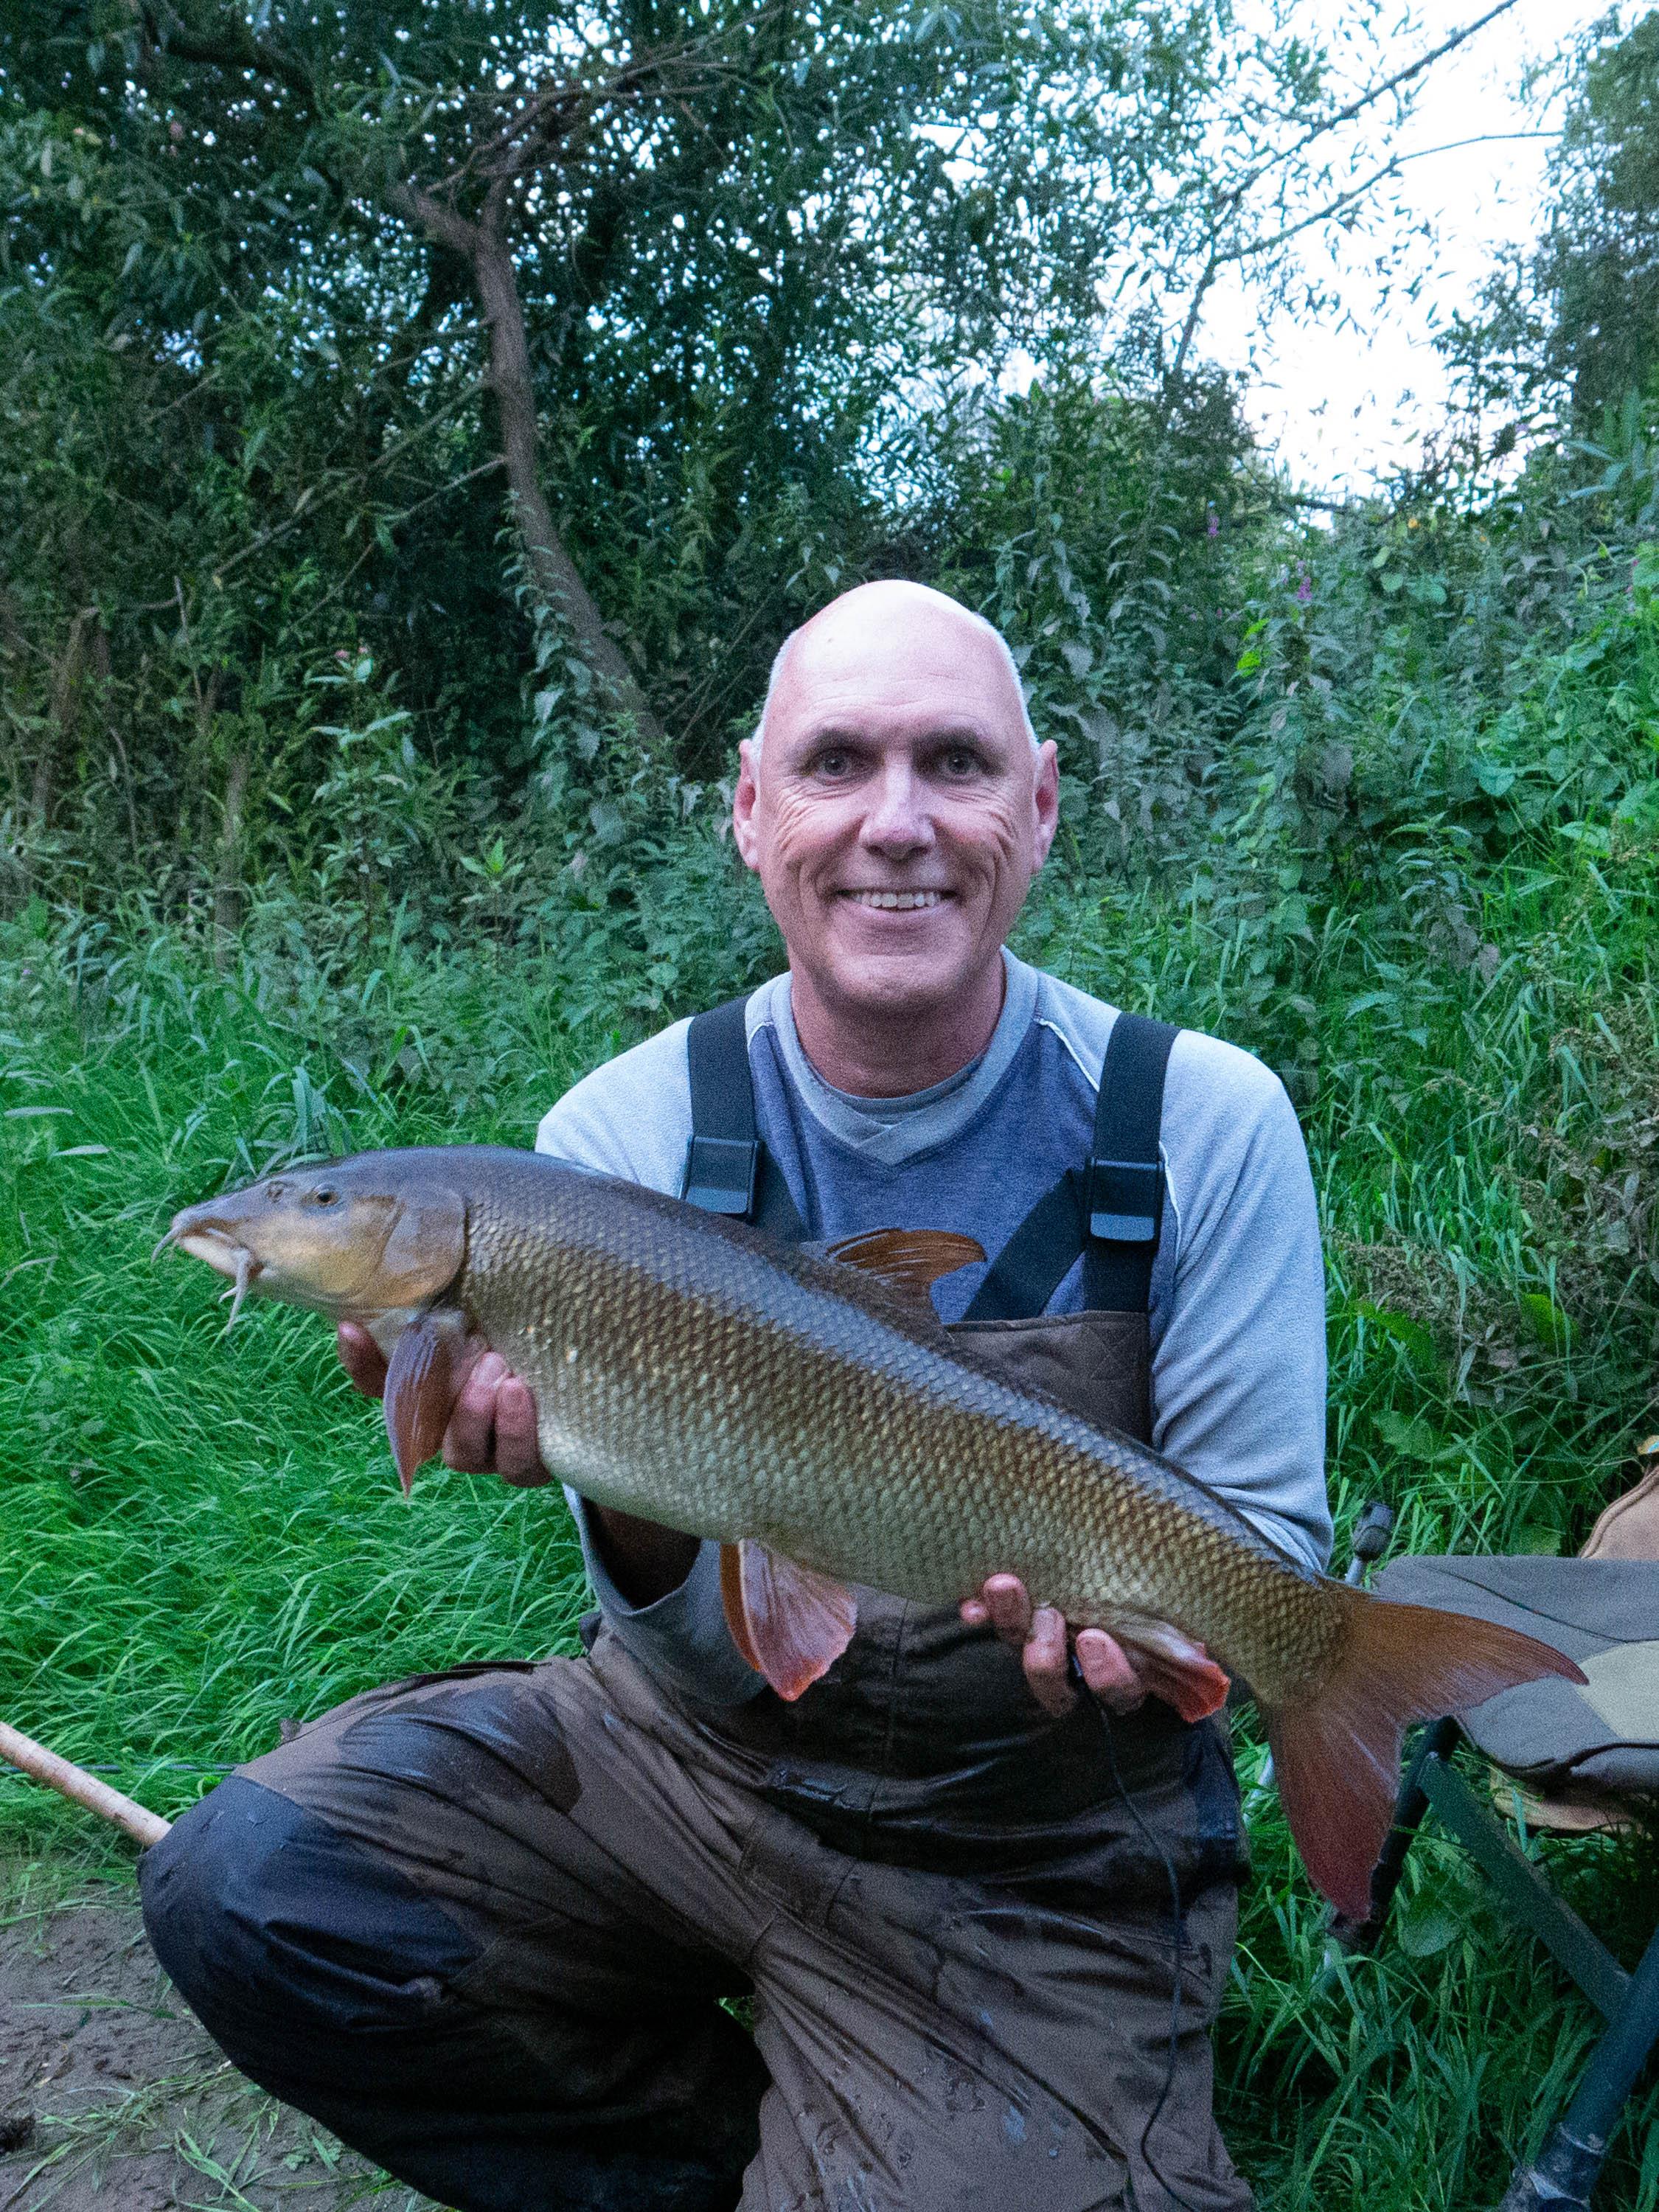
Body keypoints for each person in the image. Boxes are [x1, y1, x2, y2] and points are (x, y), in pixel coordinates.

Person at [140, 580, 1330, 2212]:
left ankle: (895, 2124)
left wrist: (1160, 1653)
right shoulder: (620, 1125)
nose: (896, 823)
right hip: (691, 1766)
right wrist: (616, 1481)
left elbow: (1265, 1535)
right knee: (255, 1885)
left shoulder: (1199, 1120)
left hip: (1031, 1848)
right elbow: (696, 1652)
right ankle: (750, 2156)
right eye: (837, 763)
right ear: (753, 814)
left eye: (955, 765)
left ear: (1038, 805)